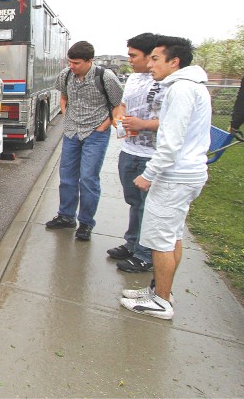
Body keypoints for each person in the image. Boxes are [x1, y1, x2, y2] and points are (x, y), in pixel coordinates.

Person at [121, 36, 211, 320]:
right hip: (186, 174)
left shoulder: (181, 90)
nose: (150, 65)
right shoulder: (192, 86)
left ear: (175, 62)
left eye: (156, 59)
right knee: (172, 237)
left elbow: (171, 141)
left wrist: (148, 175)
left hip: (175, 176)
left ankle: (160, 301)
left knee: (160, 241)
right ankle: (161, 290)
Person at [46, 41, 123, 240]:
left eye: (77, 63)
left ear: (90, 61)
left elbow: (117, 106)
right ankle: (66, 216)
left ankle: (86, 223)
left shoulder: (106, 77)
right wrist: (65, 114)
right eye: (70, 62)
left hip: (95, 133)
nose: (72, 66)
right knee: (67, 177)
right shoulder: (66, 75)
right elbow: (63, 97)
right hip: (72, 132)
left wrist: (103, 127)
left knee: (88, 179)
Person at [107, 33, 165, 273]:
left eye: (133, 55)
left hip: (151, 154)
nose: (129, 59)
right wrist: (118, 118)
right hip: (129, 150)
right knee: (134, 202)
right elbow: (122, 105)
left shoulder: (164, 81)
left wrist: (143, 125)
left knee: (146, 206)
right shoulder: (133, 79)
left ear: (149, 56)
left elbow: (173, 121)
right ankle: (132, 244)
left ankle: (145, 255)